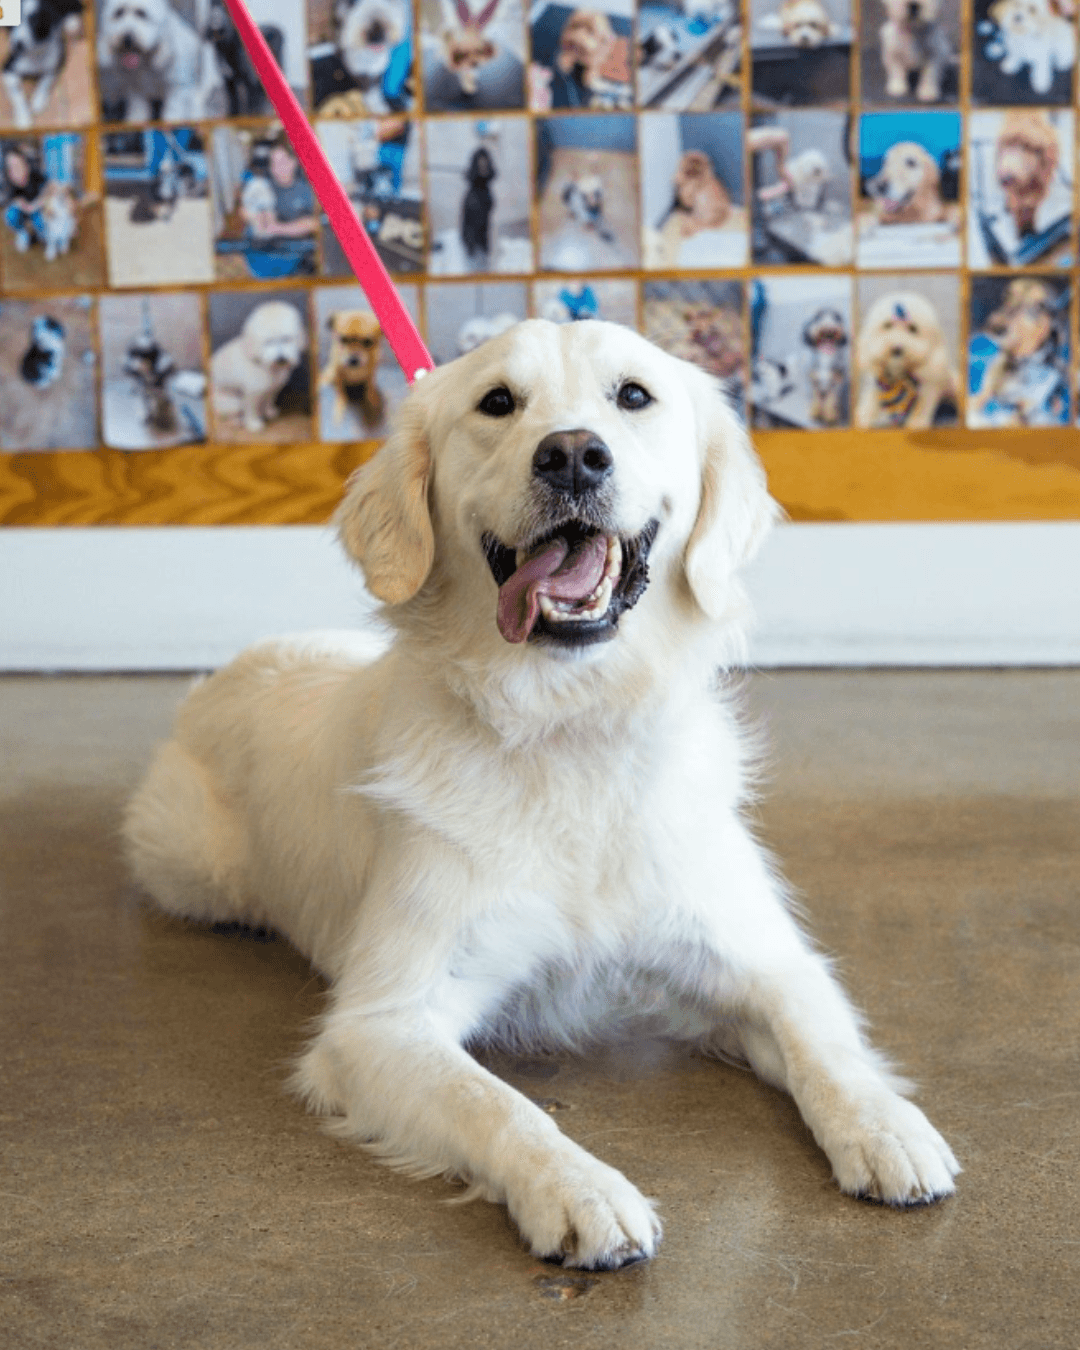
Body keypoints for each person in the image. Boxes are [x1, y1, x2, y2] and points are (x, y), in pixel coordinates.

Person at [240, 139, 317, 279]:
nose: (278, 168)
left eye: (282, 162)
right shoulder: (262, 185)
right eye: (274, 164)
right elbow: (244, 212)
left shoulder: (306, 190)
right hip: (259, 260)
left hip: (290, 259)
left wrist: (278, 228)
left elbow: (314, 223)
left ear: (293, 162)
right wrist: (254, 217)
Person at [3, 146, 48, 254]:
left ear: (26, 164)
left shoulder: (35, 174)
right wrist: (25, 207)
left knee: (41, 223)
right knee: (10, 215)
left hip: (37, 207)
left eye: (19, 165)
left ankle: (40, 235)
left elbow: (47, 188)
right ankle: (22, 232)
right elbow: (13, 202)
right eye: (12, 168)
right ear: (9, 171)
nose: (16, 170)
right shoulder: (8, 183)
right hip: (23, 210)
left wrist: (38, 203)